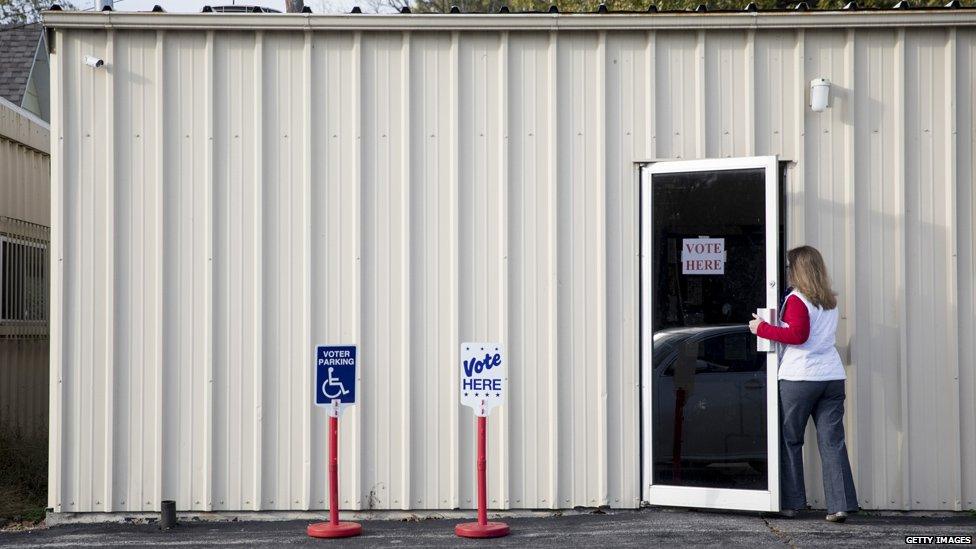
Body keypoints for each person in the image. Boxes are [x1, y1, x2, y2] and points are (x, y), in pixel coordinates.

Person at [749, 245, 858, 523]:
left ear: (797, 270)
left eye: (788, 267)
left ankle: (791, 503)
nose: (786, 272)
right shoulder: (830, 300)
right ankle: (839, 505)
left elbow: (798, 335)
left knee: (790, 440)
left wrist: (760, 328)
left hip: (800, 377)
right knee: (832, 442)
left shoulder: (798, 299)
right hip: (831, 377)